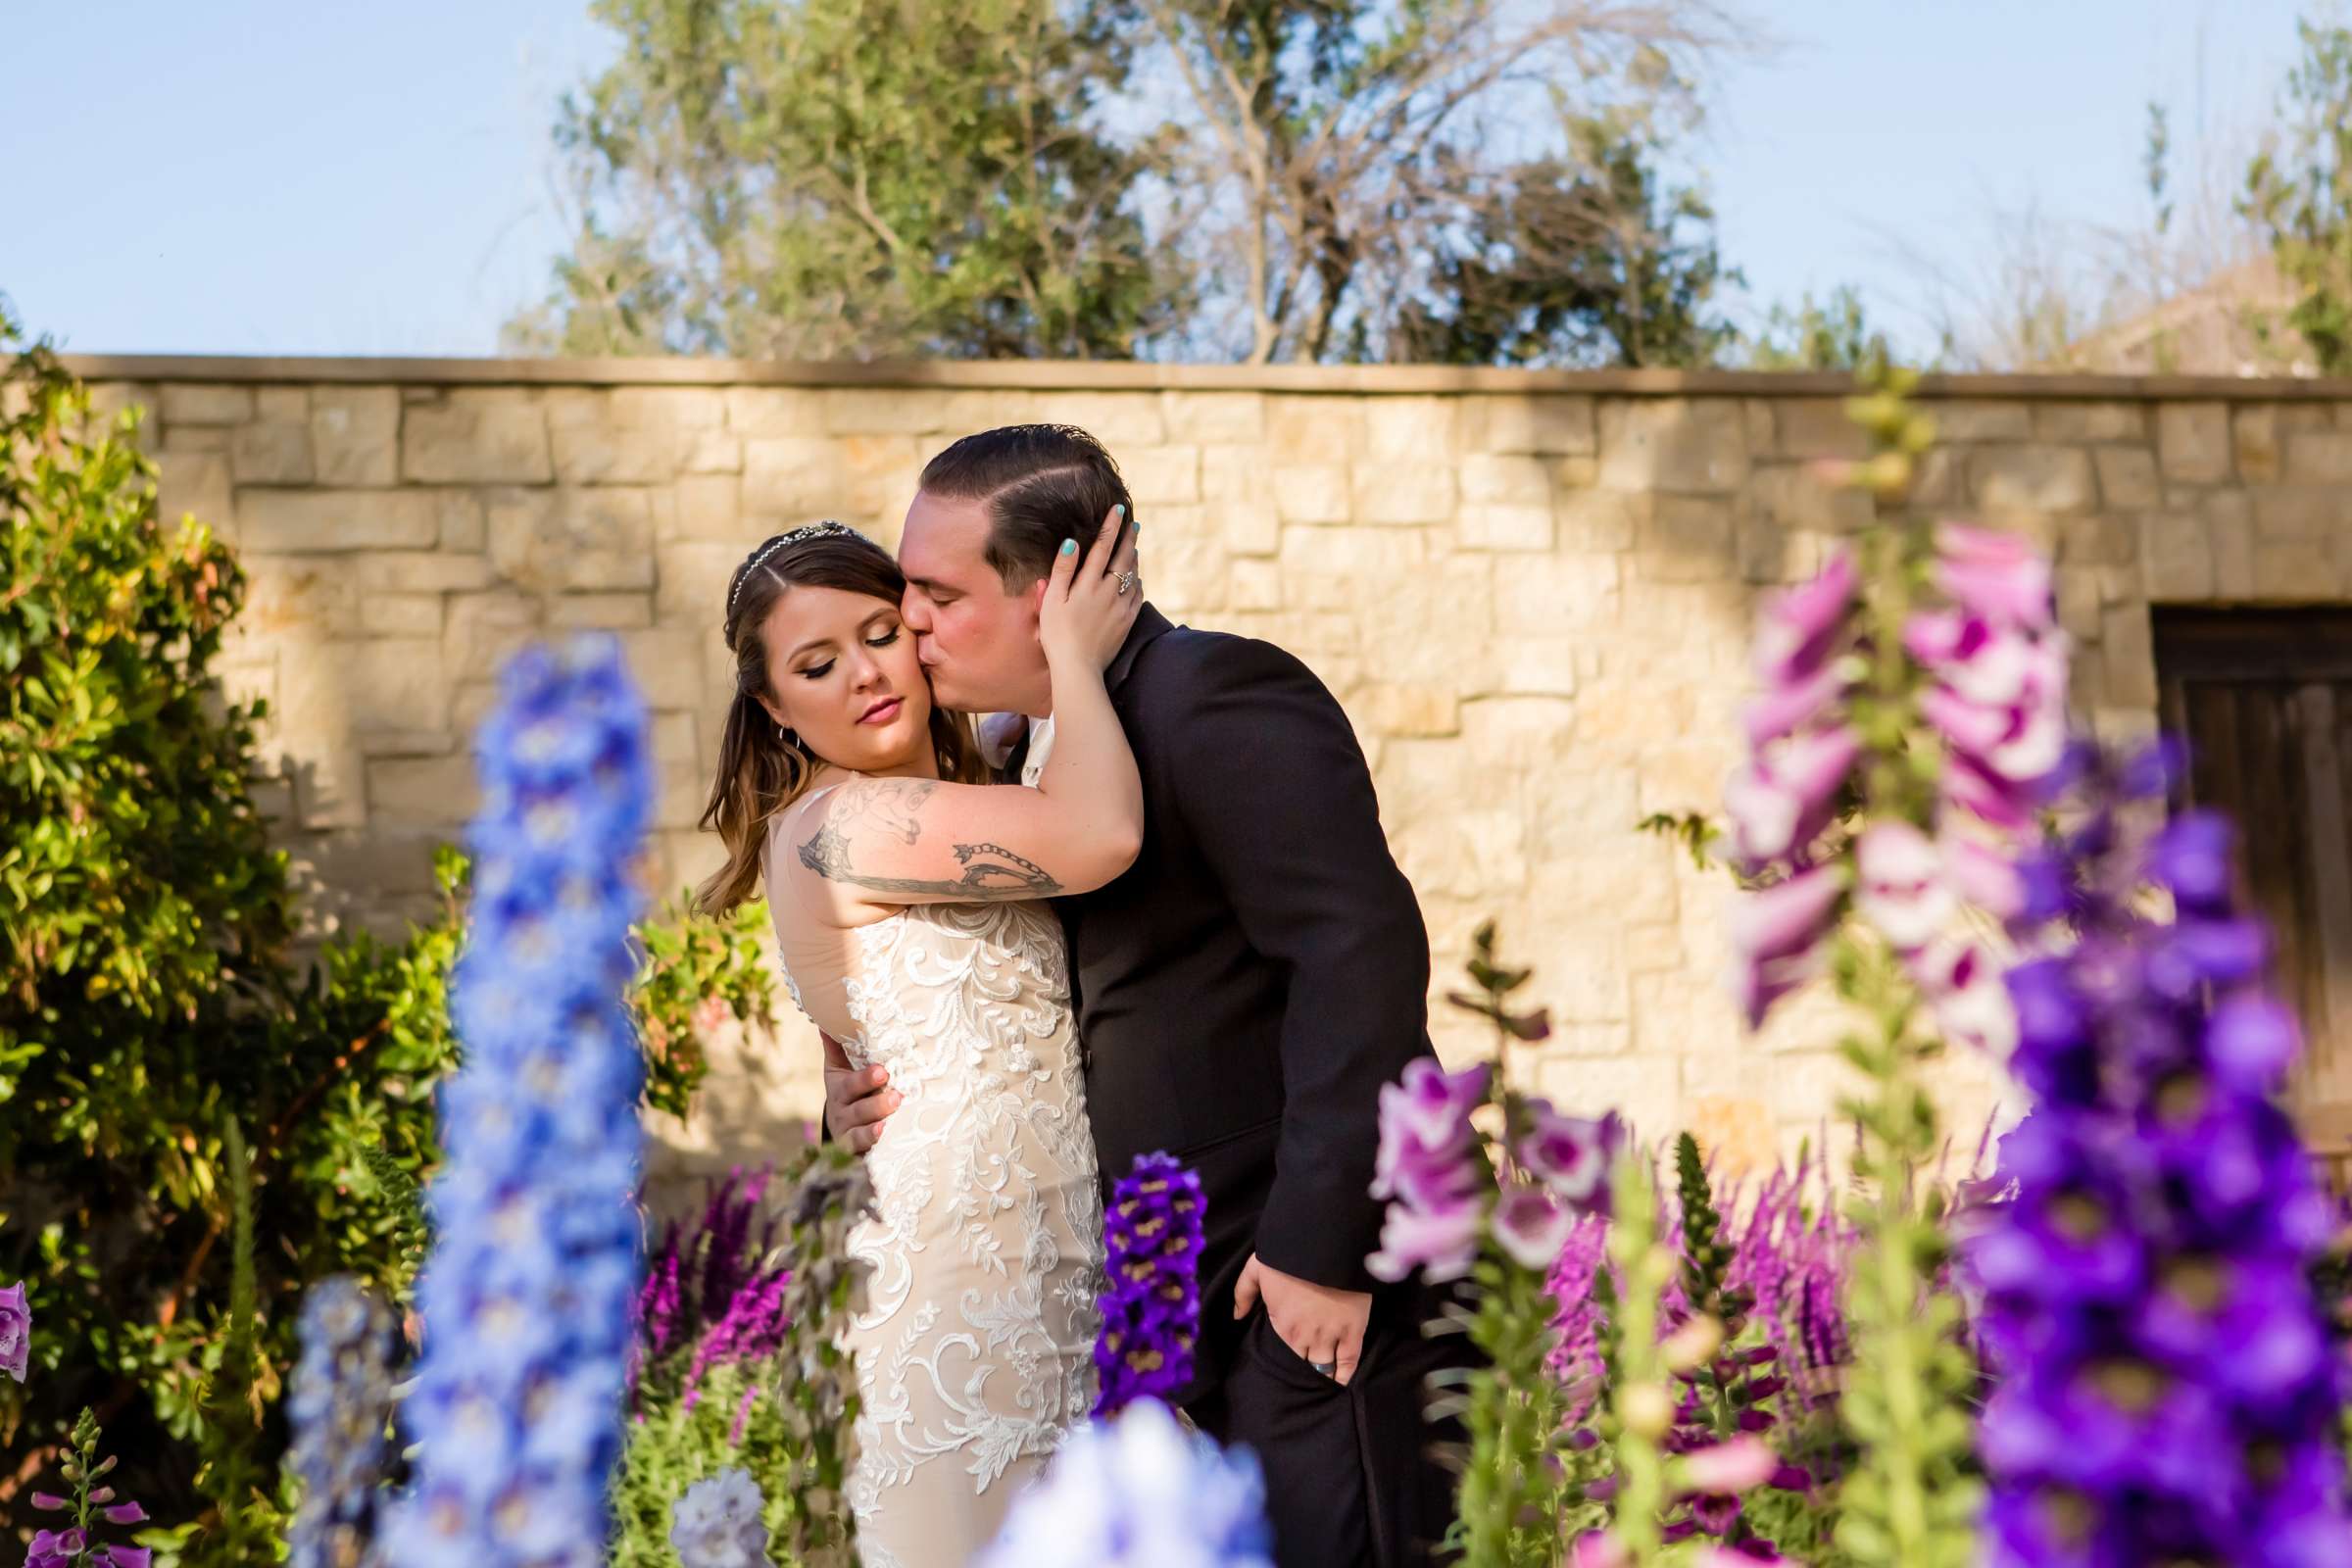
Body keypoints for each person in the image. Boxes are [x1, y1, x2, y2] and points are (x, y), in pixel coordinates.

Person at [829, 424, 1470, 1568]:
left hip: (1300, 1298)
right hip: (1152, 1320)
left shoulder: (1212, 694)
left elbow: (1358, 955)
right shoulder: (1008, 758)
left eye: (936, 592)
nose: (909, 623)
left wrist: (1324, 1247)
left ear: (1059, 583)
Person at [693, 510, 1144, 1568]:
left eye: (880, 632)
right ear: (774, 706)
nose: (862, 673)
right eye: (816, 662)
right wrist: (1071, 656)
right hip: (957, 1308)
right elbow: (1103, 833)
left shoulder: (939, 796)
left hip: (1057, 1275)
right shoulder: (850, 824)